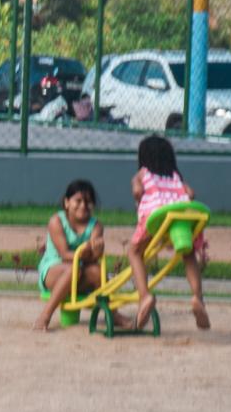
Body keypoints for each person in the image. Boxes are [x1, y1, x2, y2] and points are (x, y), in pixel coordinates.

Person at [126, 135, 209, 332]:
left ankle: (144, 296)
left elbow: (137, 191)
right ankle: (198, 297)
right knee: (188, 254)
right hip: (182, 217)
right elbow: (190, 194)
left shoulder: (142, 173)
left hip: (157, 216)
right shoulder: (175, 176)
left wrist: (140, 196)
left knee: (134, 251)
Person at [33, 180, 115, 331]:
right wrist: (86, 254)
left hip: (80, 270)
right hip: (54, 269)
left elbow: (93, 256)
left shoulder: (96, 225)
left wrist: (96, 251)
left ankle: (113, 313)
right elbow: (64, 254)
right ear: (66, 202)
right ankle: (45, 315)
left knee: (99, 272)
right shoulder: (57, 221)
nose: (83, 205)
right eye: (78, 201)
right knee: (74, 269)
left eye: (88, 201)